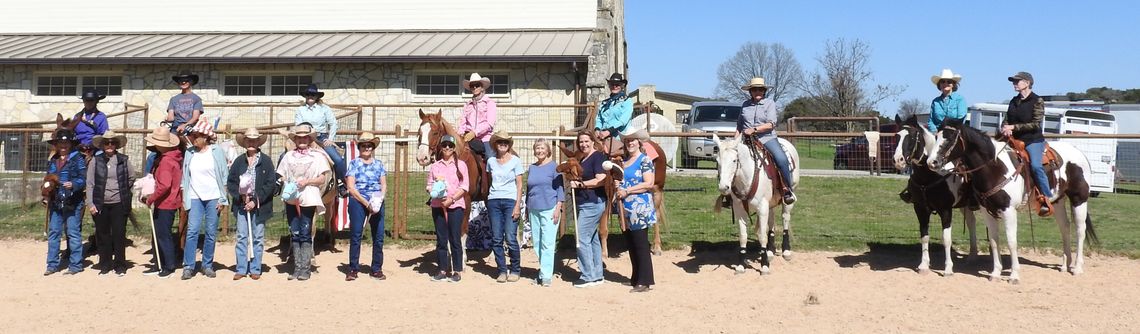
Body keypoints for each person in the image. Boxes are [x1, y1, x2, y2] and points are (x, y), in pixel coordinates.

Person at [902, 69, 968, 203]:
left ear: (953, 84)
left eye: (948, 82)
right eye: (943, 82)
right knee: (921, 156)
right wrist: (933, 131)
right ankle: (914, 188)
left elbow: (961, 116)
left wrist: (946, 130)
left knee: (966, 161)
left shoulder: (960, 99)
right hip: (937, 134)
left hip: (955, 134)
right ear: (939, 85)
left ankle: (969, 192)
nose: (945, 84)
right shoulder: (935, 102)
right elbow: (931, 119)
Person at [277, 123, 331, 281]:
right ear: (295, 139)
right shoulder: (288, 157)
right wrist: (285, 183)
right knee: (295, 231)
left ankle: (305, 268)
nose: (302, 140)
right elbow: (281, 174)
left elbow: (322, 178)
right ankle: (297, 267)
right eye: (299, 137)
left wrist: (307, 182)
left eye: (305, 137)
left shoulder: (317, 157)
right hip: (292, 198)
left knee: (306, 231)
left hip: (308, 196)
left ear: (309, 139)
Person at [180, 119, 229, 280]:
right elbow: (185, 176)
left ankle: (207, 264)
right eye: (193, 135)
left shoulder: (216, 152)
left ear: (206, 137)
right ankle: (188, 265)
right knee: (192, 231)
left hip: (213, 197)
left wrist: (223, 199)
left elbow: (223, 176)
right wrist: (184, 194)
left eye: (197, 135)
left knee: (210, 232)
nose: (194, 138)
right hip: (195, 196)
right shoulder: (189, 153)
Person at [226, 128, 276, 281]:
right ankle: (241, 268)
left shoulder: (266, 161)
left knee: (258, 237)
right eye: (249, 140)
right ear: (245, 142)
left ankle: (255, 268)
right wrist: (240, 196)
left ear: (258, 142)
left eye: (254, 140)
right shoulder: (238, 161)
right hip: (242, 206)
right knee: (241, 236)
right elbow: (231, 182)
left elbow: (270, 184)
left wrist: (255, 200)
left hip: (260, 206)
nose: (251, 143)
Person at [736, 77, 796, 205]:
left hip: (766, 138)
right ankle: (730, 194)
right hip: (746, 139)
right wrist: (734, 141)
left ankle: (787, 189)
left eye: (760, 89)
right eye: (754, 89)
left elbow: (770, 124)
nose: (757, 92)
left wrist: (754, 129)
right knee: (729, 161)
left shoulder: (770, 103)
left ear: (764, 91)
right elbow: (739, 126)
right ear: (750, 91)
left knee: (781, 159)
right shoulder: (745, 105)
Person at [1002, 71, 1053, 217]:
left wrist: (1013, 127)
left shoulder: (1037, 101)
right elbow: (1007, 119)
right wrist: (1005, 127)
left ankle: (1045, 196)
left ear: (1027, 83)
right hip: (1013, 140)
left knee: (1036, 165)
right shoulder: (1013, 101)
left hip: (1032, 140)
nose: (1014, 84)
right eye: (1014, 81)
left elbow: (1035, 124)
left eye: (1017, 81)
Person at [615, 130, 657, 293]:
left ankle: (645, 280)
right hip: (625, 208)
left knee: (640, 244)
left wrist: (628, 190)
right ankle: (636, 277)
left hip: (640, 208)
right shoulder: (624, 162)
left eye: (633, 140)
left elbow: (649, 183)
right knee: (631, 243)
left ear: (639, 142)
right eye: (627, 141)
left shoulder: (644, 160)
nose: (630, 143)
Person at [86, 130, 131, 276]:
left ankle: (120, 265)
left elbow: (131, 178)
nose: (109, 145)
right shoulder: (95, 161)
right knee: (102, 234)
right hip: (101, 203)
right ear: (102, 145)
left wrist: (123, 191)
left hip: (119, 202)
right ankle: (105, 264)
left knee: (119, 234)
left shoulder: (123, 160)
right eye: (107, 142)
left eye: (112, 142)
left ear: (116, 145)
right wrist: (90, 203)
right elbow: (90, 183)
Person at [43, 129, 87, 276]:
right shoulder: (52, 160)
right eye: (60, 143)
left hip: (73, 201)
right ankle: (52, 264)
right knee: (54, 232)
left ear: (71, 144)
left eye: (66, 143)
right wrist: (46, 191)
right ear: (56, 144)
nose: (63, 146)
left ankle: (75, 264)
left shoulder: (78, 159)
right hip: (56, 202)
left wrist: (74, 184)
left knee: (73, 233)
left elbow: (83, 178)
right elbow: (48, 178)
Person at [344, 132, 388, 281]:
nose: (367, 148)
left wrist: (379, 198)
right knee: (356, 235)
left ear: (373, 147)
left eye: (369, 145)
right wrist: (365, 202)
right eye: (364, 145)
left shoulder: (379, 164)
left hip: (376, 201)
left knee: (379, 236)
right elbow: (351, 186)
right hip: (359, 200)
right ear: (359, 147)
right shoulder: (354, 164)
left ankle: (376, 268)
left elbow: (383, 184)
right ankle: (353, 268)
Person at [426, 135, 469, 283]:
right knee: (441, 239)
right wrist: (434, 193)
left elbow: (464, 186)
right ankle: (442, 269)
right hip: (438, 206)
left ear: (454, 147)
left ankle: (457, 270)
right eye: (444, 145)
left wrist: (452, 199)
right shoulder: (435, 166)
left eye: (450, 146)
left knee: (455, 238)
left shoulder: (461, 165)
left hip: (455, 206)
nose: (447, 148)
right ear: (440, 147)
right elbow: (430, 184)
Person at [566, 133, 607, 288]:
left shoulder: (598, 157)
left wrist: (580, 184)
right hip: (585, 203)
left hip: (593, 202)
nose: (583, 144)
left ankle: (587, 275)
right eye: (581, 142)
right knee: (592, 239)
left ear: (592, 142)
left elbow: (600, 179)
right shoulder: (582, 159)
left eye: (586, 141)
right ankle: (597, 274)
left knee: (582, 237)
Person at [141, 127, 183, 278]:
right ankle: (160, 263)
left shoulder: (166, 162)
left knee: (162, 234)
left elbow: (164, 185)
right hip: (168, 202)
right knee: (160, 233)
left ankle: (168, 265)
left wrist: (151, 198)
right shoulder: (172, 159)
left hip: (165, 203)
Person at [295, 84, 348, 197]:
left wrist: (330, 139)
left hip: (321, 138)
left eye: (313, 94)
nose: (310, 96)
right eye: (308, 94)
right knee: (284, 155)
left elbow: (333, 123)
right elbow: (298, 125)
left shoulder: (324, 109)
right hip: (305, 137)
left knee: (337, 159)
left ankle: (341, 183)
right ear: (305, 96)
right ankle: (279, 182)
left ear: (317, 96)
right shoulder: (300, 110)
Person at [145, 70, 202, 175]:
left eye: (186, 80)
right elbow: (171, 117)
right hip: (175, 128)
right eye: (181, 80)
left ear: (190, 82)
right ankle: (148, 178)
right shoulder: (174, 99)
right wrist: (167, 119)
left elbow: (195, 117)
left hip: (189, 129)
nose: (183, 82)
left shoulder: (196, 99)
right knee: (154, 155)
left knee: (193, 152)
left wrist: (185, 125)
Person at [486, 130, 525, 283]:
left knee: (510, 237)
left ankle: (515, 269)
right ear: (495, 144)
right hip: (494, 201)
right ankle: (502, 270)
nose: (503, 144)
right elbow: (490, 181)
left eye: (506, 142)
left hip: (510, 201)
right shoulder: (490, 161)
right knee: (496, 238)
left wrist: (517, 206)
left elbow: (520, 185)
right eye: (500, 142)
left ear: (509, 145)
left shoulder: (515, 161)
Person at [526, 139, 564, 287]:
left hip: (550, 208)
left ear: (548, 150)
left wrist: (558, 207)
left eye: (542, 148)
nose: (539, 151)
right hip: (534, 208)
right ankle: (543, 271)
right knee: (537, 242)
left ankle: (546, 276)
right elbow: (529, 189)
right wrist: (527, 208)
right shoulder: (532, 167)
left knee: (547, 243)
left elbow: (560, 189)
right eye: (537, 148)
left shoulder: (554, 167)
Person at [458, 73, 498, 159]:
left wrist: (474, 133)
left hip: (485, 138)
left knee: (490, 157)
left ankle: (493, 172)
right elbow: (463, 122)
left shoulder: (490, 103)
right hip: (468, 137)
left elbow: (489, 124)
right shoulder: (467, 105)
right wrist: (460, 134)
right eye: (472, 86)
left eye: (477, 85)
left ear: (482, 87)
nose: (475, 88)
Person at [595, 73, 634, 157]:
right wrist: (597, 129)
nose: (614, 86)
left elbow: (623, 121)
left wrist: (609, 131)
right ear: (609, 86)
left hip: (620, 136)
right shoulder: (604, 103)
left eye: (617, 84)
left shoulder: (627, 101)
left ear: (622, 86)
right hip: (603, 136)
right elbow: (599, 118)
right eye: (612, 84)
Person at [72, 89, 109, 154]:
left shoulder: (101, 117)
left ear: (96, 101)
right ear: (83, 101)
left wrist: (92, 145)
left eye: (92, 100)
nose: (89, 103)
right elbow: (72, 133)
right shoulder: (77, 116)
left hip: (95, 149)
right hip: (78, 148)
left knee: (99, 158)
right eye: (86, 100)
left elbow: (104, 135)